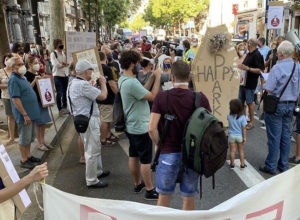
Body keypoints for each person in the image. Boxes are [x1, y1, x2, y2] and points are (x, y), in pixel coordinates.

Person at [148, 60, 211, 210]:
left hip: (168, 153)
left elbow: (151, 128)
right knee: (188, 197)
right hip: (192, 155)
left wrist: (159, 144)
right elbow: (208, 126)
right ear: (189, 77)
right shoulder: (200, 98)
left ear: (172, 77)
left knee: (164, 197)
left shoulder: (163, 97)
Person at [119, 50, 161, 200]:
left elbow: (142, 89)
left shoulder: (124, 79)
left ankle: (137, 183)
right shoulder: (131, 82)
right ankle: (150, 189)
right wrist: (158, 78)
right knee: (145, 159)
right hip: (140, 126)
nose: (138, 66)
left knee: (134, 155)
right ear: (132, 63)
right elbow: (153, 96)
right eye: (137, 63)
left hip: (131, 125)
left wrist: (152, 76)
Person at [259, 41, 300, 175]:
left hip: (277, 105)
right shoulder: (297, 67)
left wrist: (264, 82)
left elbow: (269, 89)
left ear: (280, 54)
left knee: (274, 137)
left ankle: (270, 165)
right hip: (291, 105)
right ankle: (283, 165)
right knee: (286, 136)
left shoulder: (277, 68)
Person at [67, 60, 110, 188]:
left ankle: (97, 171)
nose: (92, 72)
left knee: (92, 146)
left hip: (81, 118)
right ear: (86, 71)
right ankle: (92, 179)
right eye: (91, 70)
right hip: (89, 119)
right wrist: (103, 84)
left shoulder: (73, 83)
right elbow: (103, 96)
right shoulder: (83, 85)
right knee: (92, 149)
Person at [8, 57, 41, 169]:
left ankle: (28, 155)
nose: (22, 66)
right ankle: (24, 159)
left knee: (29, 137)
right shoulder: (13, 79)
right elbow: (15, 99)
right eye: (18, 64)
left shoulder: (22, 77)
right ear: (12, 68)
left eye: (22, 64)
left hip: (31, 113)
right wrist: (24, 114)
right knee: (24, 137)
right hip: (25, 115)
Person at [24, 57, 52, 151]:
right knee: (38, 123)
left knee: (43, 122)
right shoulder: (26, 75)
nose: (38, 64)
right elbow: (27, 89)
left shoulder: (39, 73)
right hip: (34, 101)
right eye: (35, 63)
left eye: (38, 62)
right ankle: (39, 143)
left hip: (42, 100)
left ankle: (43, 141)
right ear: (30, 64)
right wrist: (35, 80)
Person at [238, 38, 265, 130]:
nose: (245, 45)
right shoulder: (249, 54)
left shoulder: (257, 55)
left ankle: (252, 122)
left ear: (250, 44)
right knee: (241, 102)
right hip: (243, 82)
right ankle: (242, 120)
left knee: (249, 102)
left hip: (250, 83)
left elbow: (260, 70)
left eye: (247, 44)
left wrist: (248, 68)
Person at [97, 52, 119, 146]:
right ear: (105, 57)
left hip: (98, 96)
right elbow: (112, 84)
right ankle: (103, 139)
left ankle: (108, 134)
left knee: (106, 118)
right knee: (105, 119)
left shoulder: (96, 68)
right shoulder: (107, 68)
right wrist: (118, 94)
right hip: (107, 97)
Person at [68, 62, 85, 164]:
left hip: (79, 112)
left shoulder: (75, 79)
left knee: (82, 134)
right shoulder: (74, 80)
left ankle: (84, 155)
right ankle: (83, 156)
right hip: (79, 112)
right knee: (82, 134)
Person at [0, 53, 16, 146]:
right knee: (10, 117)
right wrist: (8, 85)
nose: (8, 61)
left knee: (19, 116)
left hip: (17, 97)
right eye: (6, 59)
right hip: (6, 97)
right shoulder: (1, 71)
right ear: (4, 61)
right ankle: (12, 137)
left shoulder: (16, 70)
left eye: (10, 59)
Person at [50, 39, 69, 116]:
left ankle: (65, 106)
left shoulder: (64, 53)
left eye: (62, 43)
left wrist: (63, 64)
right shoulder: (53, 54)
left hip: (65, 74)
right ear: (56, 45)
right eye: (59, 43)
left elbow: (68, 62)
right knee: (59, 92)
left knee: (65, 92)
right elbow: (56, 64)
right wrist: (63, 64)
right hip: (57, 75)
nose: (61, 44)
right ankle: (60, 108)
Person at [227, 99, 247, 168]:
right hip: (239, 136)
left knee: (232, 151)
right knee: (241, 151)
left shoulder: (229, 116)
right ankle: (242, 164)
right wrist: (244, 137)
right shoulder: (242, 117)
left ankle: (232, 164)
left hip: (231, 135)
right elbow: (244, 129)